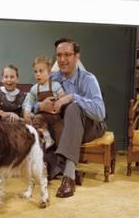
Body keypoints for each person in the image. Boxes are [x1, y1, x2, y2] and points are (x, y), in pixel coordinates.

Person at [45, 38, 107, 198]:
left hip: (92, 126)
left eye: (67, 55)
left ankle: (69, 176)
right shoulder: (52, 78)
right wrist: (40, 105)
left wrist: (72, 97)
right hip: (66, 127)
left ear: (76, 57)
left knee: (73, 107)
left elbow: (100, 113)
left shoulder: (88, 79)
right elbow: (32, 101)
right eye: (59, 55)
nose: (62, 59)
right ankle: (61, 168)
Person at [23, 55, 65, 149]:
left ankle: (61, 151)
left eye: (41, 71)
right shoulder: (34, 89)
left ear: (49, 72)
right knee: (36, 121)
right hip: (42, 116)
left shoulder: (55, 85)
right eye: (35, 71)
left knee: (60, 129)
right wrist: (27, 111)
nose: (38, 74)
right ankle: (45, 137)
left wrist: (61, 97)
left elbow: (62, 96)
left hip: (55, 116)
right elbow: (29, 102)